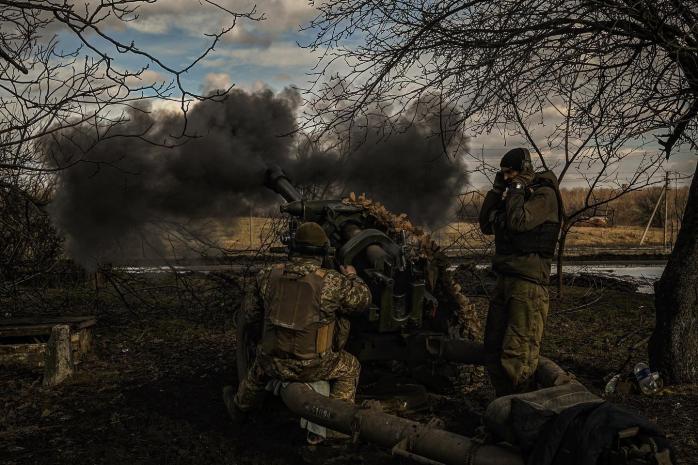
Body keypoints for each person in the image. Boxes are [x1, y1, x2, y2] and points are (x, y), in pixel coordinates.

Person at [223, 221, 372, 427]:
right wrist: (353, 276)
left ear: (293, 249)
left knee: (259, 366)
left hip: (272, 362)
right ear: (322, 251)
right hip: (314, 366)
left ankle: (240, 407)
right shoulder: (332, 281)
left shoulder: (267, 275)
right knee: (351, 367)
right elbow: (362, 301)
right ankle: (337, 423)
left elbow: (250, 316)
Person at [478, 148, 562, 396]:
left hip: (528, 285)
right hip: (506, 279)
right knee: (493, 347)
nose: (507, 178)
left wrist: (515, 190)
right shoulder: (515, 196)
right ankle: (501, 406)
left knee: (519, 353)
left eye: (511, 172)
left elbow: (518, 222)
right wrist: (496, 192)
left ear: (525, 170)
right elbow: (485, 225)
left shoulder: (543, 195)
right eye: (503, 173)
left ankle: (521, 411)